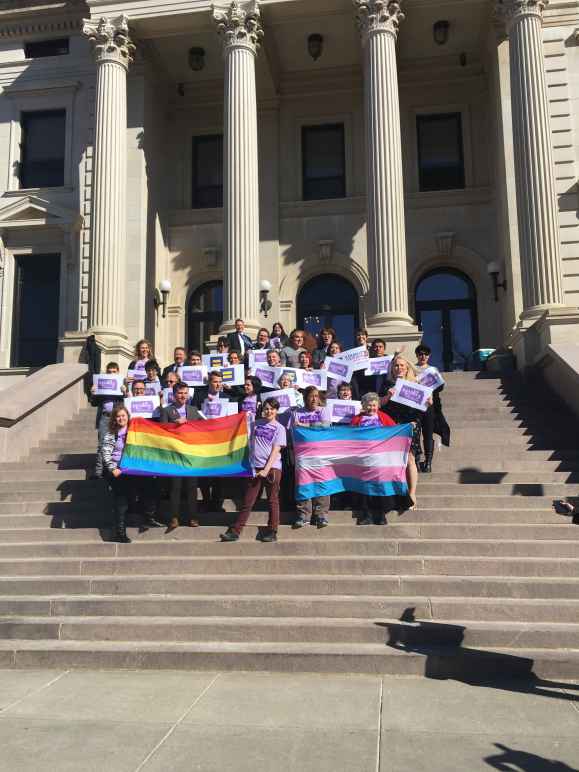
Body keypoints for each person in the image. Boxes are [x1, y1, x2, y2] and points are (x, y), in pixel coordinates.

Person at [220, 397, 287, 543]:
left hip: (272, 469)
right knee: (248, 501)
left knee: (272, 500)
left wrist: (266, 469)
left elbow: (276, 450)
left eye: (272, 408)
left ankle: (272, 531)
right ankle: (236, 531)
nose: (269, 411)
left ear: (277, 411)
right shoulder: (255, 424)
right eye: (266, 408)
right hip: (254, 468)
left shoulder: (280, 429)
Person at [380, 355, 432, 510]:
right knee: (393, 460)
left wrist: (428, 402)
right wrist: (388, 396)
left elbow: (426, 406)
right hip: (392, 425)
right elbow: (379, 404)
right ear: (392, 369)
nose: (399, 368)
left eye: (402, 365)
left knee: (410, 458)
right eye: (396, 366)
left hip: (410, 425)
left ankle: (412, 494)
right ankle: (395, 494)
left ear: (407, 368)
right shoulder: (387, 384)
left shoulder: (416, 384)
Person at [160, 382, 203, 533]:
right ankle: (174, 517)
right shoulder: (166, 411)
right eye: (179, 393)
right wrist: (175, 424)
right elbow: (162, 432)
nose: (182, 396)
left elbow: (202, 429)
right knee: (175, 487)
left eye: (185, 393)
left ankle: (193, 517)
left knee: (192, 487)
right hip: (175, 455)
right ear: (173, 394)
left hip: (191, 455)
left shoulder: (193, 410)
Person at [351, 392, 398, 525]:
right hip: (363, 459)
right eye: (369, 405)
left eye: (374, 405)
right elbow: (350, 436)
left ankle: (381, 514)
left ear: (378, 406)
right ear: (364, 406)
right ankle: (366, 514)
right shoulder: (356, 419)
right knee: (365, 487)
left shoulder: (384, 417)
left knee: (380, 486)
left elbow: (395, 431)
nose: (372, 408)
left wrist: (408, 427)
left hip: (380, 459)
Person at [291, 386, 332, 529]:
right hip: (302, 455)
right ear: (305, 398)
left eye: (316, 396)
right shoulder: (296, 413)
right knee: (304, 484)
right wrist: (310, 426)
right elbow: (294, 432)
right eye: (311, 396)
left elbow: (325, 428)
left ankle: (321, 515)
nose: (314, 398)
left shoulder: (324, 411)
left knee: (322, 484)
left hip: (321, 454)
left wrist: (304, 425)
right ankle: (303, 515)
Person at [414, 343, 450, 473]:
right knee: (415, 435)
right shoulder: (412, 368)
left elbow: (440, 387)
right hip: (415, 406)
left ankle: (428, 463)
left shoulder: (433, 369)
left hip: (430, 406)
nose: (423, 356)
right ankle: (417, 462)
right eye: (420, 354)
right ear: (417, 355)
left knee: (428, 434)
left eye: (425, 354)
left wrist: (436, 383)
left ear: (429, 356)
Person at [91, 361, 126, 479]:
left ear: (118, 372)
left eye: (114, 372)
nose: (111, 374)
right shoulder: (102, 384)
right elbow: (94, 403)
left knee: (117, 443)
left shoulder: (121, 384)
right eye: (109, 372)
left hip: (118, 418)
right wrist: (93, 393)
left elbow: (127, 402)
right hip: (105, 417)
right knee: (102, 444)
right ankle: (98, 472)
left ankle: (115, 469)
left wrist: (124, 392)